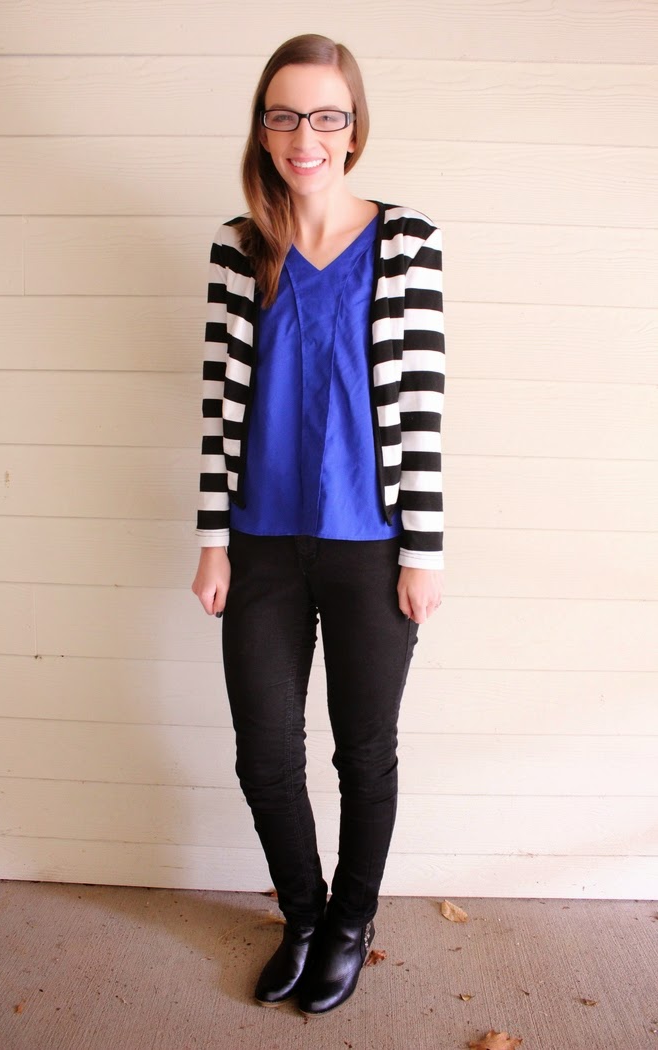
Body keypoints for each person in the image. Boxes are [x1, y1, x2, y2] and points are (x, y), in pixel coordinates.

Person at [192, 33, 445, 1016]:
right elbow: (219, 404)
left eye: (326, 115)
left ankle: (351, 922)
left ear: (354, 127)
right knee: (265, 752)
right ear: (264, 130)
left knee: (363, 751)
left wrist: (423, 552)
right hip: (259, 540)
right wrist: (213, 539)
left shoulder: (406, 240)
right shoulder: (238, 244)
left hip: (371, 543)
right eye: (285, 115)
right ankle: (302, 916)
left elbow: (420, 405)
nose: (306, 136)